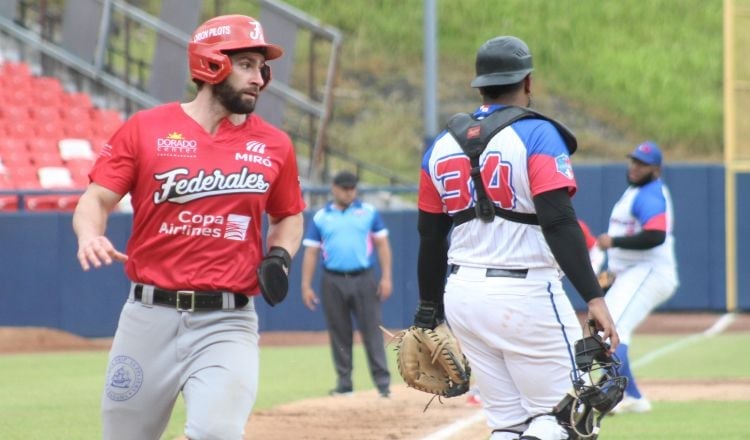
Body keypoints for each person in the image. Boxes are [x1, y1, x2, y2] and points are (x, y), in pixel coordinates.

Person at [72, 15, 305, 440]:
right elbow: (95, 199)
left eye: (261, 67)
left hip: (227, 321)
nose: (260, 78)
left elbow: (288, 214)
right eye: (248, 64)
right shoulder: (146, 128)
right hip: (148, 317)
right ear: (211, 64)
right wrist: (90, 234)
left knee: (217, 432)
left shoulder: (275, 145)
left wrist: (280, 256)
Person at [415, 35, 619, 440]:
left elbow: (430, 237)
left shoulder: (439, 146)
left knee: (508, 424)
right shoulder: (538, 134)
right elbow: (559, 223)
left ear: (480, 85)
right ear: (527, 82)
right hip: (526, 296)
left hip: (463, 297)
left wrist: (428, 310)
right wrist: (594, 297)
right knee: (564, 419)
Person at [596, 141, 679, 414]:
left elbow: (656, 235)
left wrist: (614, 242)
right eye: (633, 161)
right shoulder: (635, 191)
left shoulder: (650, 194)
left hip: (649, 271)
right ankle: (628, 394)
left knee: (614, 329)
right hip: (632, 271)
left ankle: (619, 394)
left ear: (656, 169)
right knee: (610, 328)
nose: (634, 167)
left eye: (642, 163)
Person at [300, 170, 393, 398]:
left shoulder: (368, 212)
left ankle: (383, 385)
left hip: (363, 277)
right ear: (334, 188)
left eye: (352, 187)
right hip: (332, 279)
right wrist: (305, 285)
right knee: (339, 332)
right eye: (345, 188)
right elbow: (311, 252)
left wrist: (386, 277)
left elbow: (382, 245)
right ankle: (344, 383)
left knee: (372, 331)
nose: (349, 192)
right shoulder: (321, 217)